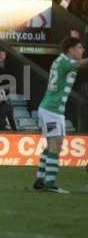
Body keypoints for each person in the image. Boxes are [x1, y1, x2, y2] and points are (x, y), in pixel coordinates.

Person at [33, 37, 88, 194]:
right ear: (70, 50)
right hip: (52, 110)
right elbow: (80, 63)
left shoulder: (61, 61)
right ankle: (50, 183)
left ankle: (40, 179)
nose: (82, 50)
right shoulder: (65, 62)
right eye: (79, 47)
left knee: (54, 145)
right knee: (55, 146)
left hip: (53, 110)